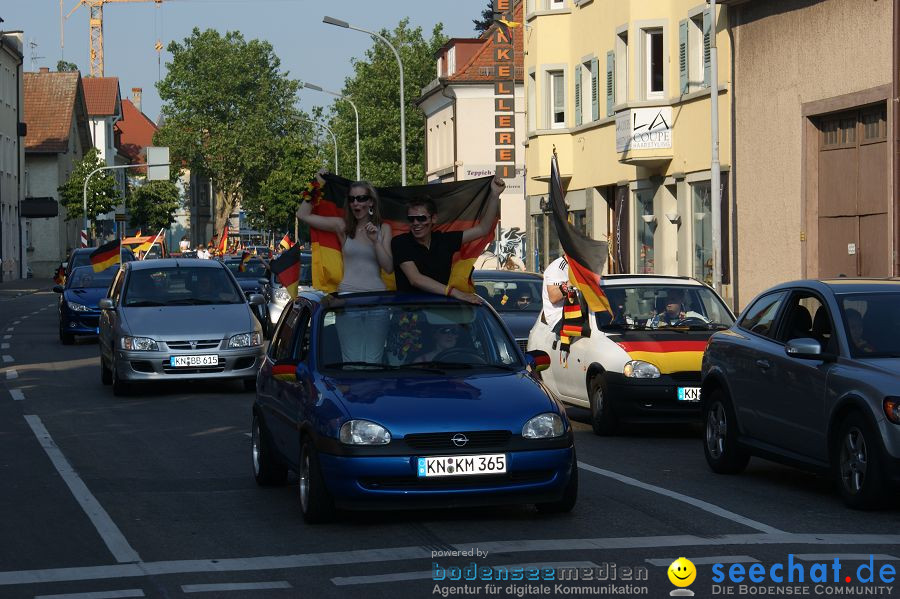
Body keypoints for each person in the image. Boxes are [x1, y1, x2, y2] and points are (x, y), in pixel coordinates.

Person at [296, 177, 393, 363]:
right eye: (352, 199)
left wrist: (376, 241)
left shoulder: (384, 229)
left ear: (371, 201)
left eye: (361, 198)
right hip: (348, 302)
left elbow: (388, 268)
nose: (356, 203)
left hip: (378, 302)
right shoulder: (342, 226)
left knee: (374, 360)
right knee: (351, 360)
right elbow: (303, 214)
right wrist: (317, 184)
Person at [391, 176, 505, 304]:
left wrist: (495, 194)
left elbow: (483, 229)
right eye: (411, 219)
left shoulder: (444, 240)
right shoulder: (400, 242)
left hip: (440, 311)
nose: (416, 223)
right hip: (410, 315)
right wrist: (455, 293)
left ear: (434, 218)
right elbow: (415, 279)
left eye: (421, 218)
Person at [541, 255, 569, 332]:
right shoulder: (557, 268)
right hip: (558, 317)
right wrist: (570, 283)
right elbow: (553, 297)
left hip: (577, 312)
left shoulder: (581, 266)